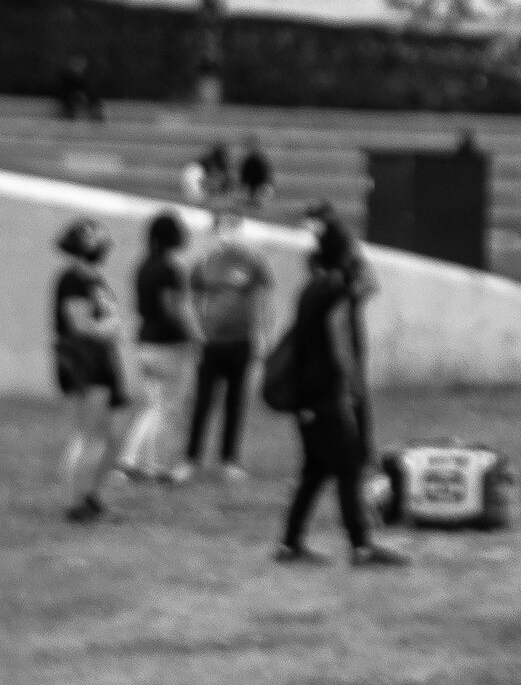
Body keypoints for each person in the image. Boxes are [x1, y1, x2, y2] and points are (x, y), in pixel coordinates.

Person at [275, 208, 400, 566]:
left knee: (314, 470)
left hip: (305, 395)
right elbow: (340, 340)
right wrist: (354, 386)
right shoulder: (336, 293)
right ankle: (361, 546)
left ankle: (290, 542)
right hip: (326, 393)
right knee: (347, 467)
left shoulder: (310, 289)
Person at [186, 199, 272, 478]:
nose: (231, 230)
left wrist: (261, 334)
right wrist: (197, 330)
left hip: (240, 340)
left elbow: (262, 298)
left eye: (235, 224)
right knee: (203, 400)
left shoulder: (252, 261)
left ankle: (229, 459)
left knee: (236, 401)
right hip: (212, 342)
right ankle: (191, 458)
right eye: (225, 224)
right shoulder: (205, 262)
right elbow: (193, 297)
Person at [51, 215, 129, 520]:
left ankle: (92, 496)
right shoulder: (71, 279)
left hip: (102, 360)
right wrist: (110, 326)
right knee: (88, 435)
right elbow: (79, 324)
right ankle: (74, 504)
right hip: (84, 362)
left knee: (111, 436)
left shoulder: (93, 279)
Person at [124, 209, 199, 482]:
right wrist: (194, 336)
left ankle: (131, 458)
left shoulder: (144, 265)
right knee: (168, 408)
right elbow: (173, 308)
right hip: (167, 346)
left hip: (145, 342)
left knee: (152, 405)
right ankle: (158, 466)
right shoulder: (169, 269)